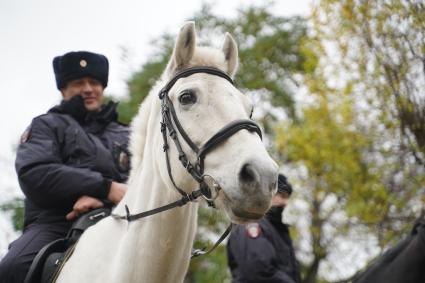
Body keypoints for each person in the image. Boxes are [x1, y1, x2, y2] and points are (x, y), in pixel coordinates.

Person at [0, 51, 130, 283]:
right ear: (63, 90)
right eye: (79, 83)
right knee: (12, 268)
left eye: (94, 82)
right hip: (57, 222)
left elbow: (148, 180)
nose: (88, 88)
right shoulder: (46, 126)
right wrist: (106, 187)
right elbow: (36, 172)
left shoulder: (127, 133)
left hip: (122, 216)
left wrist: (104, 199)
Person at [227, 174, 301, 283]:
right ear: (267, 194)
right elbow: (258, 269)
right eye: (281, 196)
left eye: (287, 197)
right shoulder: (250, 223)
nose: (285, 203)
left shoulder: (276, 229)